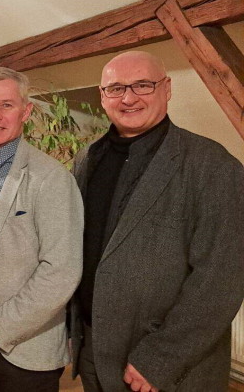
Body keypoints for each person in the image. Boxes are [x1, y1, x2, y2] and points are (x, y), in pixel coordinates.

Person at [71, 50, 244, 392]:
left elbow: (222, 279)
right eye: (116, 88)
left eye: (143, 85)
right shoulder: (86, 159)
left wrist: (161, 358)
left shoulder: (213, 166)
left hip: (161, 366)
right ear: (102, 97)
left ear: (167, 89)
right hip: (93, 351)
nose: (128, 98)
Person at [0, 67, 83, 392]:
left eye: (7, 105)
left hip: (24, 348)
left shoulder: (51, 178)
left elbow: (61, 271)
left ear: (26, 111)